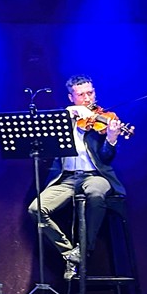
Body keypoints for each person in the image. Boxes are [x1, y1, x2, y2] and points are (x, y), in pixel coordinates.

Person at [27, 74, 125, 281]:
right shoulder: (63, 119)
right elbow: (44, 145)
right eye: (81, 95)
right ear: (71, 98)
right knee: (36, 209)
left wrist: (111, 139)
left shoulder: (103, 119)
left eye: (90, 93)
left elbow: (106, 159)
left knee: (96, 194)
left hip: (95, 176)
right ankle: (69, 253)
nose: (87, 98)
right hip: (67, 179)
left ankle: (84, 250)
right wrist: (68, 116)